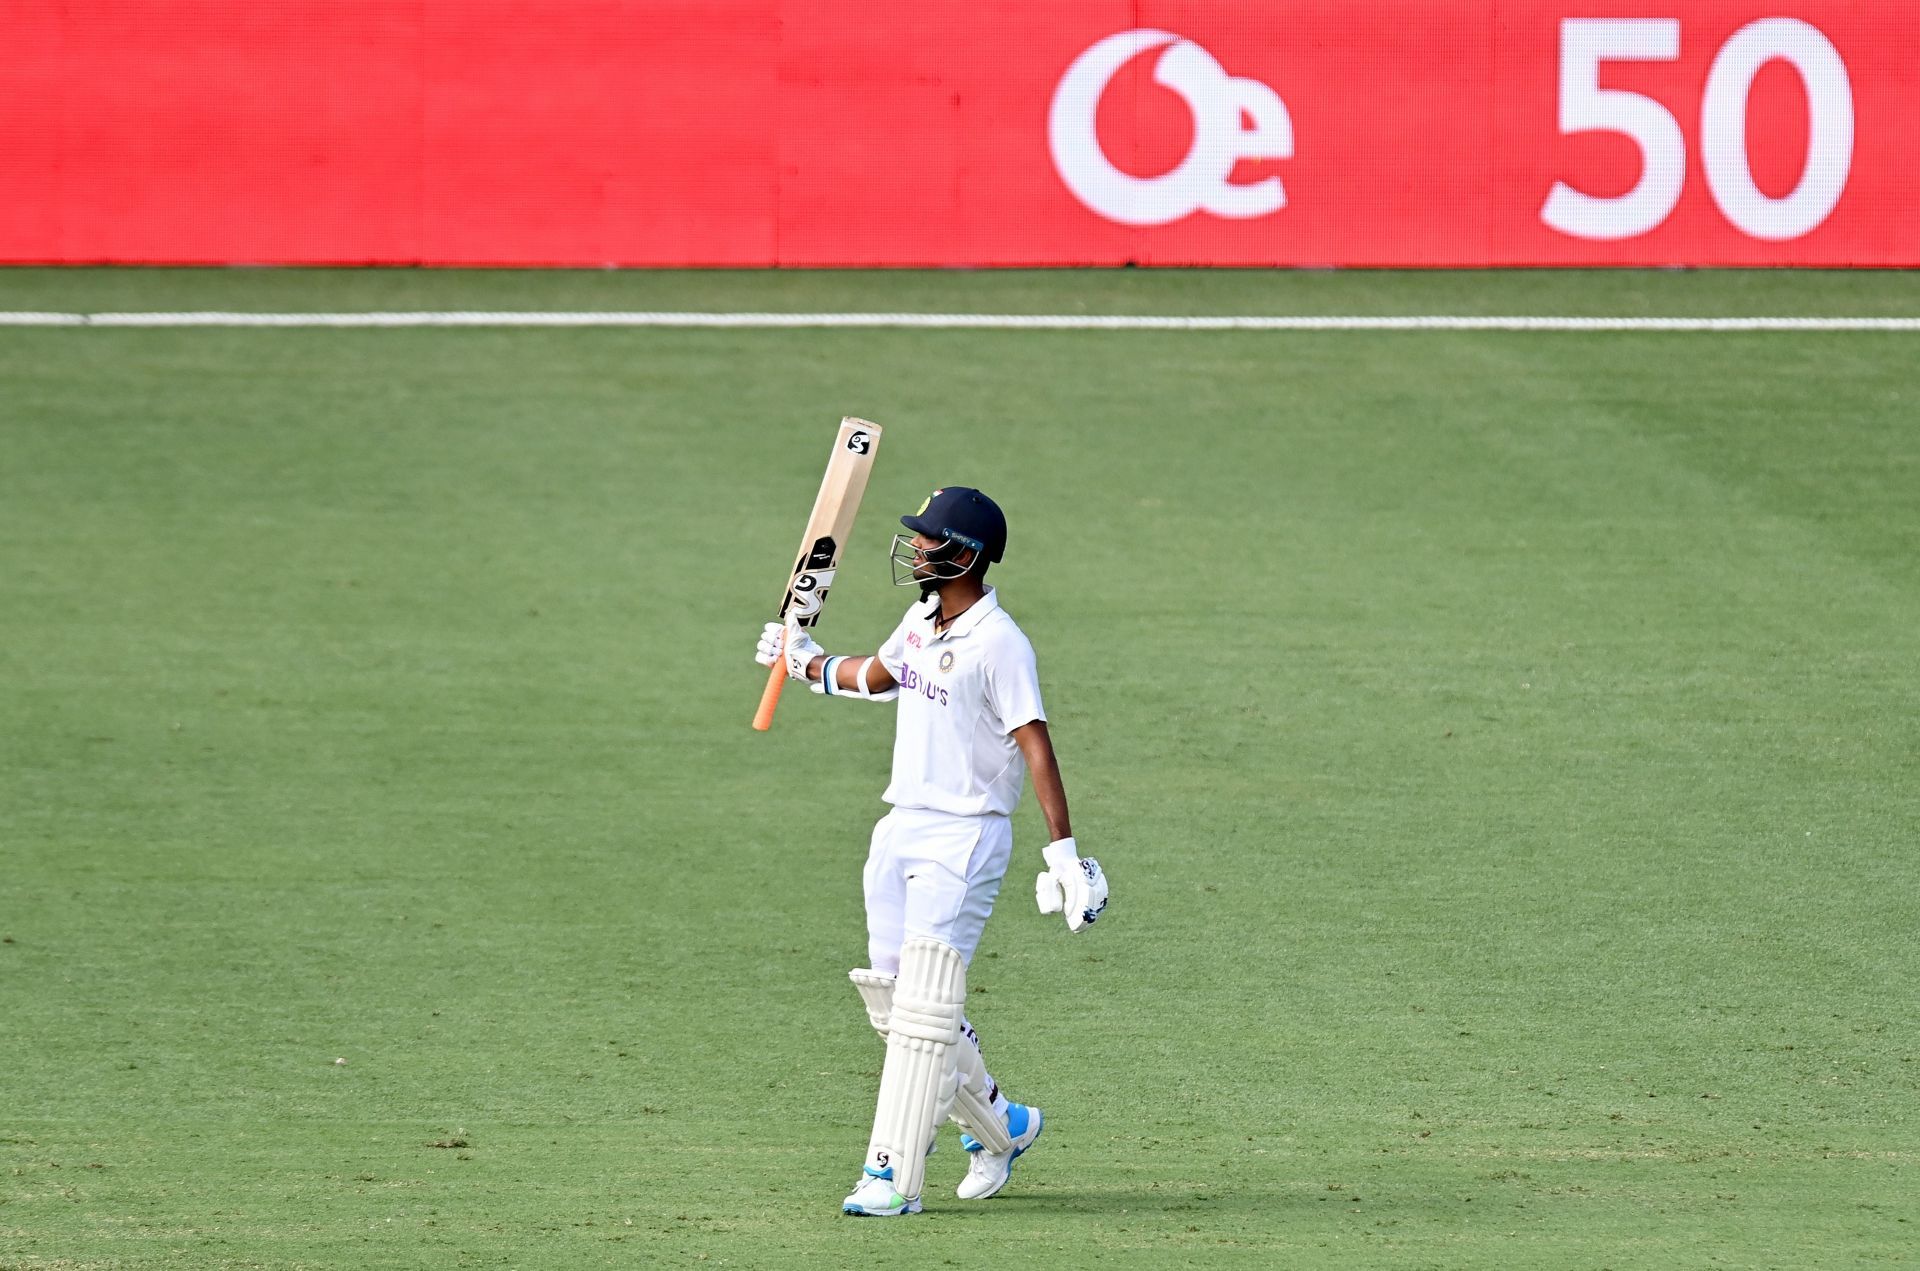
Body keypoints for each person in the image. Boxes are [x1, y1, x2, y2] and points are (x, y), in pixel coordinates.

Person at [754, 484, 1110, 1217]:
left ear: (966, 554)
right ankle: (1000, 1124)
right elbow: (881, 677)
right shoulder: (921, 617)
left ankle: (890, 1175)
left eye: (927, 539)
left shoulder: (1001, 642)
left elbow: (1035, 744)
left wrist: (1065, 851)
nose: (914, 547)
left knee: (921, 1007)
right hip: (900, 826)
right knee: (893, 1000)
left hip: (966, 834)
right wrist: (807, 661)